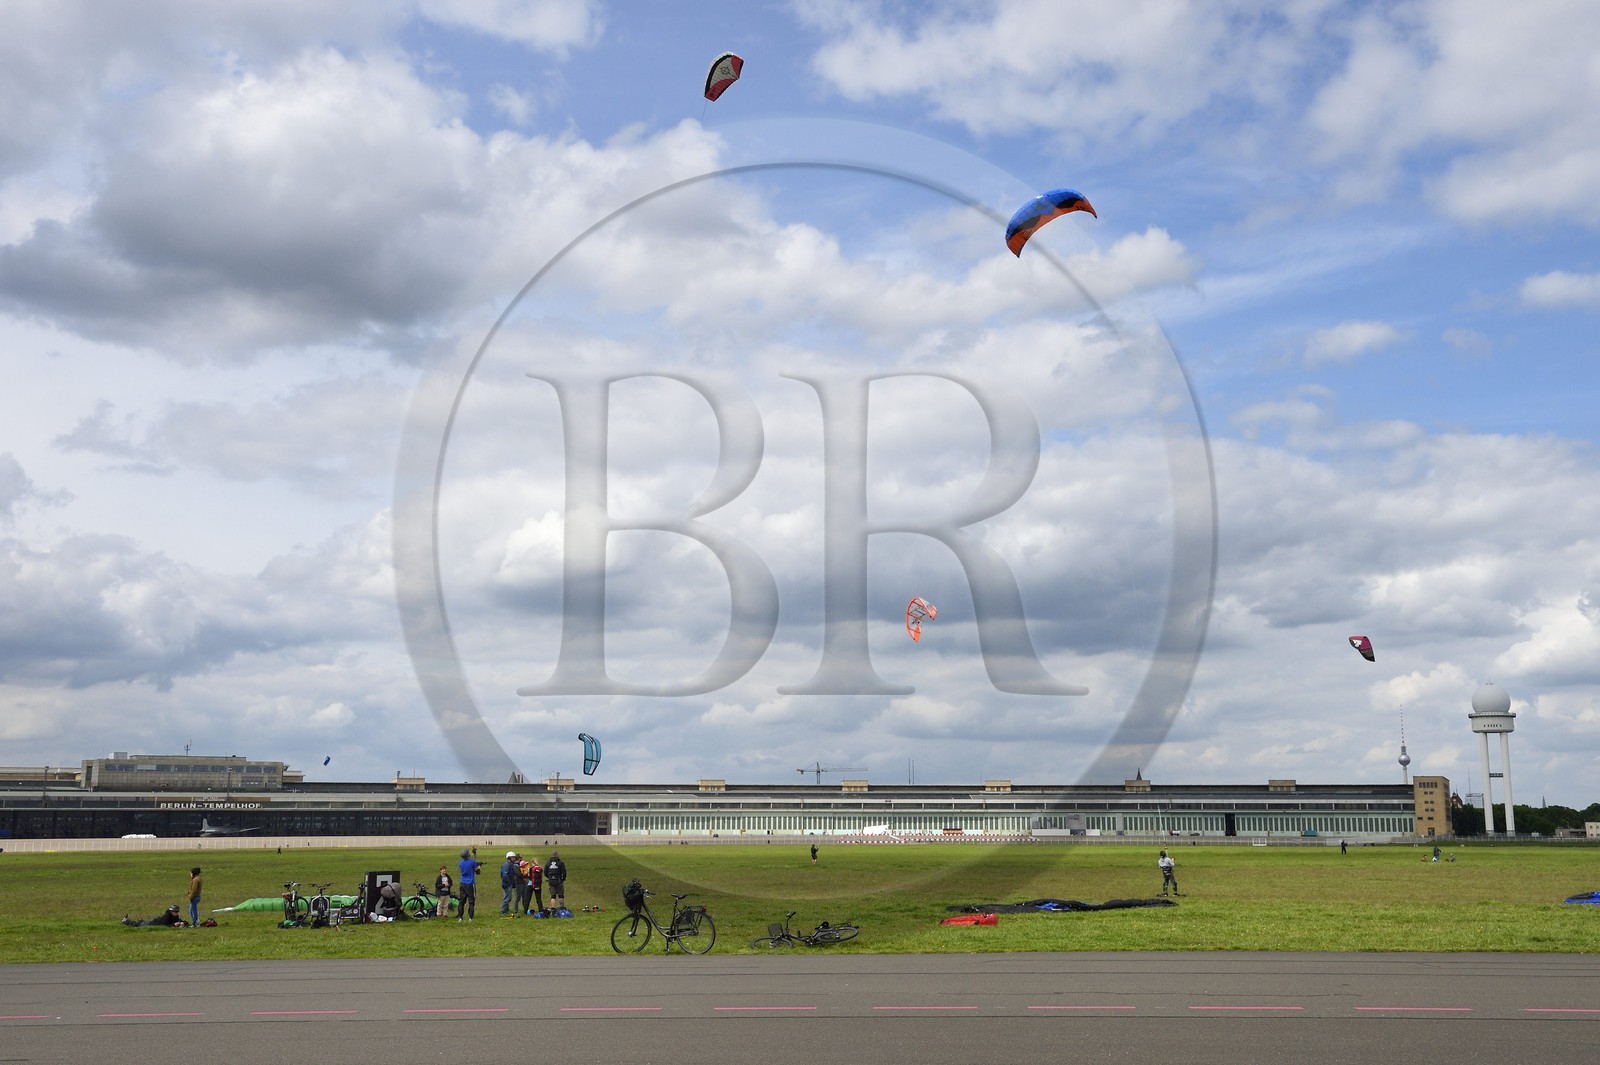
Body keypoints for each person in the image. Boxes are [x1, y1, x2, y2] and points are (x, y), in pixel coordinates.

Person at [457, 848, 480, 921]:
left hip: (462, 883)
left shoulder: (460, 863)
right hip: (470, 883)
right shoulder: (472, 862)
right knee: (471, 901)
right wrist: (478, 867)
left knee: (461, 901)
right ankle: (470, 918)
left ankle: (460, 917)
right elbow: (477, 872)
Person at [499, 851, 521, 916]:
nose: (514, 859)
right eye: (513, 857)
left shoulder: (511, 864)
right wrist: (509, 883)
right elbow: (504, 875)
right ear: (509, 858)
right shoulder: (507, 865)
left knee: (508, 898)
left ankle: (506, 910)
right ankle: (503, 911)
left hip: (509, 884)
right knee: (507, 898)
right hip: (507, 884)